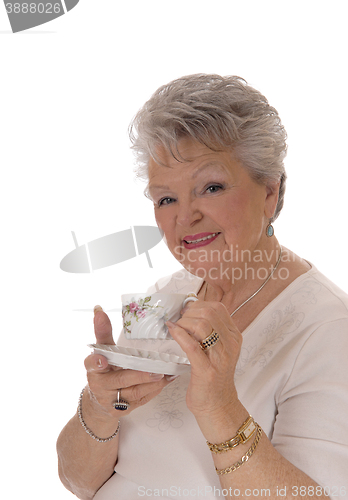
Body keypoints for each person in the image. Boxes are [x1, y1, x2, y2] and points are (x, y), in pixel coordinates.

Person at [57, 74, 348, 500]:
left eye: (211, 188)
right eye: (166, 199)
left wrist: (219, 407)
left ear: (270, 192)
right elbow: (78, 482)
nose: (184, 217)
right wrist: (101, 407)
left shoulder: (330, 330)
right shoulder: (164, 297)